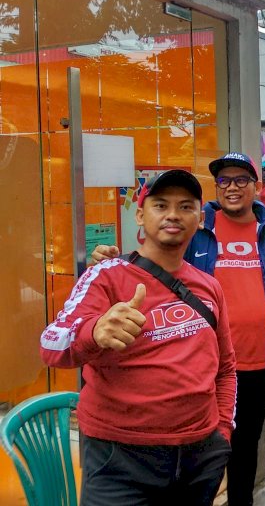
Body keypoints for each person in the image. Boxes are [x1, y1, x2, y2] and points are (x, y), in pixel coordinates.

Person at [90, 152, 265, 506]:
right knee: (208, 449)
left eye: (241, 180)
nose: (232, 187)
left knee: (246, 445)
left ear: (256, 186)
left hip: (261, 362)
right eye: (224, 181)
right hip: (203, 364)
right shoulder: (197, 226)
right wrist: (117, 260)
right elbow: (158, 262)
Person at [40, 170, 236, 504]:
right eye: (161, 205)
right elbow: (50, 344)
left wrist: (221, 436)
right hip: (120, 458)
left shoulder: (208, 285)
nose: (173, 214)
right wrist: (95, 331)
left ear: (200, 220)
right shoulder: (106, 276)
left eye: (185, 206)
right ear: (141, 215)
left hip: (199, 455)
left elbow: (226, 368)